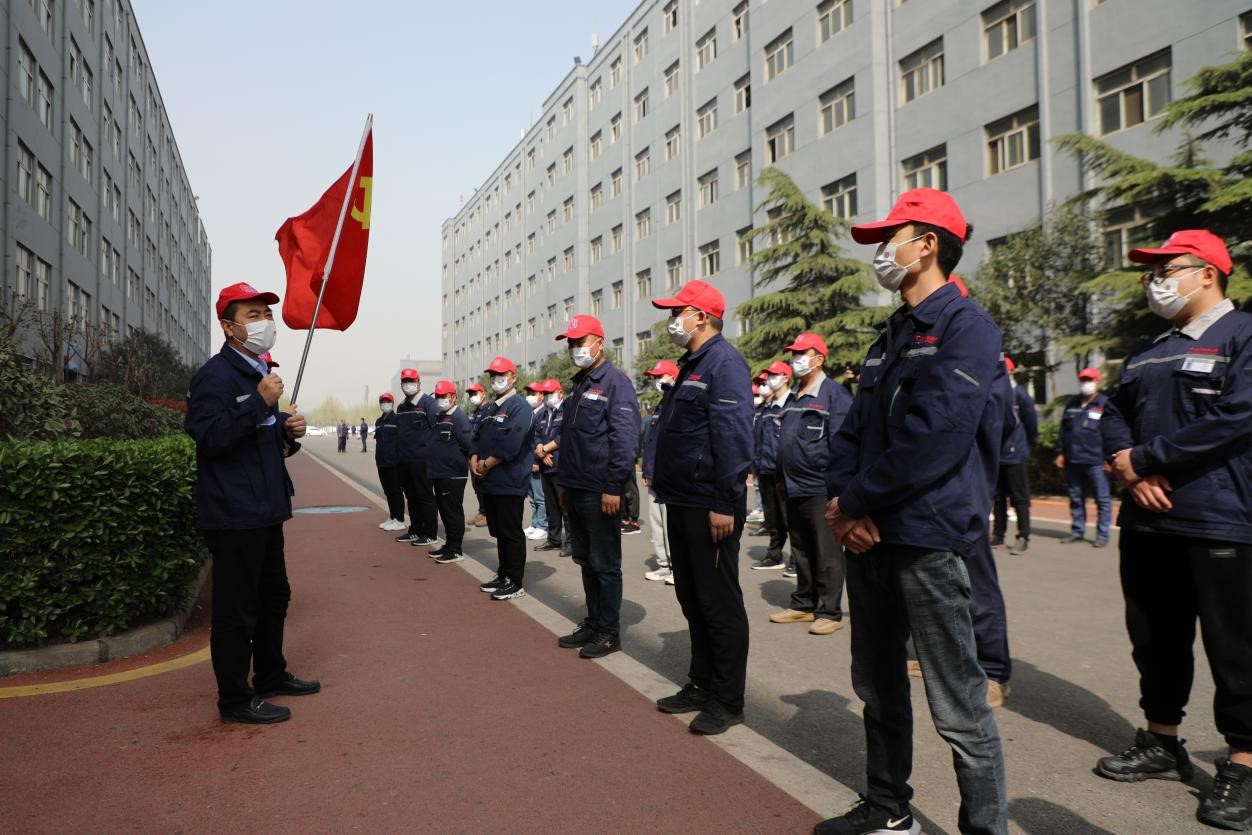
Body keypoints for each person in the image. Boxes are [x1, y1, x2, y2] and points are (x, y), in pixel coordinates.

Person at [821, 188, 1007, 834]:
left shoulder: (967, 328)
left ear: (927, 245)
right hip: (870, 536)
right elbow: (850, 433)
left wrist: (855, 500)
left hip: (927, 537)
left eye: (888, 239)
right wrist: (843, 507)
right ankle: (888, 807)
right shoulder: (891, 335)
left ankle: (984, 827)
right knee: (877, 686)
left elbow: (936, 437)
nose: (880, 252)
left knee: (958, 703)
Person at [1095, 230, 1252, 831]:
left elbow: (1237, 416)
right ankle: (1162, 740)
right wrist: (1131, 470)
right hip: (1148, 520)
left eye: (1167, 269)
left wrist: (1148, 458)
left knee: (1235, 647)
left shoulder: (1243, 335)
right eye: (1151, 272)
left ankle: (1243, 763)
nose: (1155, 281)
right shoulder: (1148, 350)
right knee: (1155, 638)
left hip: (1220, 517)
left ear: (1207, 272)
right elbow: (1113, 414)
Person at [185, 282, 318, 725]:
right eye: (253, 315)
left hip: (265, 509)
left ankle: (270, 674)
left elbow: (260, 442)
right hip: (234, 513)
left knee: (274, 596)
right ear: (229, 327)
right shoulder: (216, 377)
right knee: (236, 611)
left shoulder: (259, 374)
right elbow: (210, 436)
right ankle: (235, 699)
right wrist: (259, 403)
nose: (264, 323)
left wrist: (286, 431)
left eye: (267, 314)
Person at [649, 280, 754, 736]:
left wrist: (725, 501)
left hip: (710, 502)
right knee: (692, 598)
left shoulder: (724, 363)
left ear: (702, 317)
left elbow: (732, 435)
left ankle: (727, 700)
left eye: (678, 312)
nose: (673, 320)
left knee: (718, 602)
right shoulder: (692, 364)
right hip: (682, 498)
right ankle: (702, 682)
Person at [552, 315, 641, 659]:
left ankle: (608, 631)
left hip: (599, 489)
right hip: (575, 487)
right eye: (572, 343)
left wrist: (613, 487)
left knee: (604, 563)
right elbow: (570, 440)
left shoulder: (615, 383)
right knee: (586, 560)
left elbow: (624, 439)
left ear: (599, 343)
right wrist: (564, 484)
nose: (575, 348)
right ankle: (593, 622)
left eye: (581, 341)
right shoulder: (580, 384)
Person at [769, 333, 851, 637]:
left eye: (802, 353)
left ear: (819, 359)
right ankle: (804, 603)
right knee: (801, 548)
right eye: (794, 354)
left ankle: (829, 611)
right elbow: (786, 442)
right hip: (792, 486)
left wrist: (839, 493)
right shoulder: (794, 398)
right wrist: (781, 479)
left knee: (826, 551)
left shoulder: (834, 395)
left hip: (820, 488)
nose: (796, 359)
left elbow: (842, 447)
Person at [471, 357, 534, 600]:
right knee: (498, 531)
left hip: (510, 480)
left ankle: (515, 581)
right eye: (493, 375)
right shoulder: (490, 408)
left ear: (513, 377)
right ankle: (504, 574)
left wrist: (487, 463)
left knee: (510, 532)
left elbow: (512, 443)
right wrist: (473, 458)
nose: (496, 379)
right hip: (490, 482)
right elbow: (476, 437)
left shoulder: (520, 407)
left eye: (501, 374)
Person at [1055, 367, 1113, 547]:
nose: (1086, 383)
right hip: (1073, 459)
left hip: (1095, 460)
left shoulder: (1105, 403)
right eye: (1083, 380)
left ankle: (1102, 535)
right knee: (1075, 498)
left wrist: (1109, 458)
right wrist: (1061, 452)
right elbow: (1064, 430)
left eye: (1090, 380)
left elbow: (1112, 433)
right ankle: (1077, 531)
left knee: (1102, 499)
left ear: (1098, 382)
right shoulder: (1072, 403)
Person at [992, 357, 1038, 554]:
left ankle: (1023, 536)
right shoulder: (993, 392)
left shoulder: (1019, 394)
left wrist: (1027, 443)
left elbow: (1031, 423)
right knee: (998, 498)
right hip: (997, 454)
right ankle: (998, 534)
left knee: (1019, 498)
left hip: (1016, 454)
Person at [641, 360, 679, 583]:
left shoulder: (677, 403)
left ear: (673, 377)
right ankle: (664, 564)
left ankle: (677, 567)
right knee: (656, 523)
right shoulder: (661, 405)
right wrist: (647, 471)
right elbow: (651, 441)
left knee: (671, 524)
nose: (657, 381)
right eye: (655, 377)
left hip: (669, 476)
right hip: (654, 474)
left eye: (660, 376)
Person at [427, 380, 472, 564]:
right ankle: (449, 544)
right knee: (445, 512)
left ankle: (455, 549)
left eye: (443, 396)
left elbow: (468, 444)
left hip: (453, 474)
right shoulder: (440, 417)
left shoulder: (459, 418)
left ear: (453, 397)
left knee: (452, 512)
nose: (440, 399)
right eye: (437, 396)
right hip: (439, 473)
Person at [394, 368, 440, 547]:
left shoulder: (429, 404)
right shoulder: (401, 407)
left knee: (425, 496)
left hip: (423, 461)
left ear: (419, 383)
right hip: (404, 460)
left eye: (411, 381)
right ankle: (415, 529)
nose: (408, 385)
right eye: (405, 382)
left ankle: (430, 533)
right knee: (411, 497)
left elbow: (436, 432)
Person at [534, 379, 570, 556]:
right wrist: (540, 451)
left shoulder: (566, 410)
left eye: (551, 393)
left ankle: (571, 542)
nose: (548, 396)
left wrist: (545, 449)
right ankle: (554, 539)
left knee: (566, 506)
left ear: (560, 392)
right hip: (546, 466)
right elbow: (536, 435)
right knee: (551, 506)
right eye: (545, 393)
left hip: (562, 466)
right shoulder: (542, 414)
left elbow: (565, 434)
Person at [374, 393, 406, 531]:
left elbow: (402, 441)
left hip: (394, 462)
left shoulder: (397, 420)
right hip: (381, 462)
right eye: (382, 402)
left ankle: (399, 519)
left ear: (392, 403)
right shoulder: (379, 421)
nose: (385, 404)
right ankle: (393, 516)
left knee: (396, 491)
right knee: (387, 491)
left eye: (387, 401)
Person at [522, 381, 549, 542]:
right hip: (527, 461)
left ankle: (542, 526)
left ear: (541, 396)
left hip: (536, 461)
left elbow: (539, 439)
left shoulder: (544, 413)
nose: (530, 396)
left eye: (533, 393)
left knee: (540, 496)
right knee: (532, 497)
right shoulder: (530, 413)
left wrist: (536, 461)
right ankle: (535, 523)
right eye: (528, 393)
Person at [467, 382, 489, 527]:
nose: (472, 397)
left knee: (485, 486)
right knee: (477, 486)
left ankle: (488, 514)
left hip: (483, 455)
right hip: (473, 454)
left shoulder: (489, 410)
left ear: (483, 394)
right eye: (470, 394)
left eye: (475, 394)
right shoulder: (476, 412)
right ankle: (482, 511)